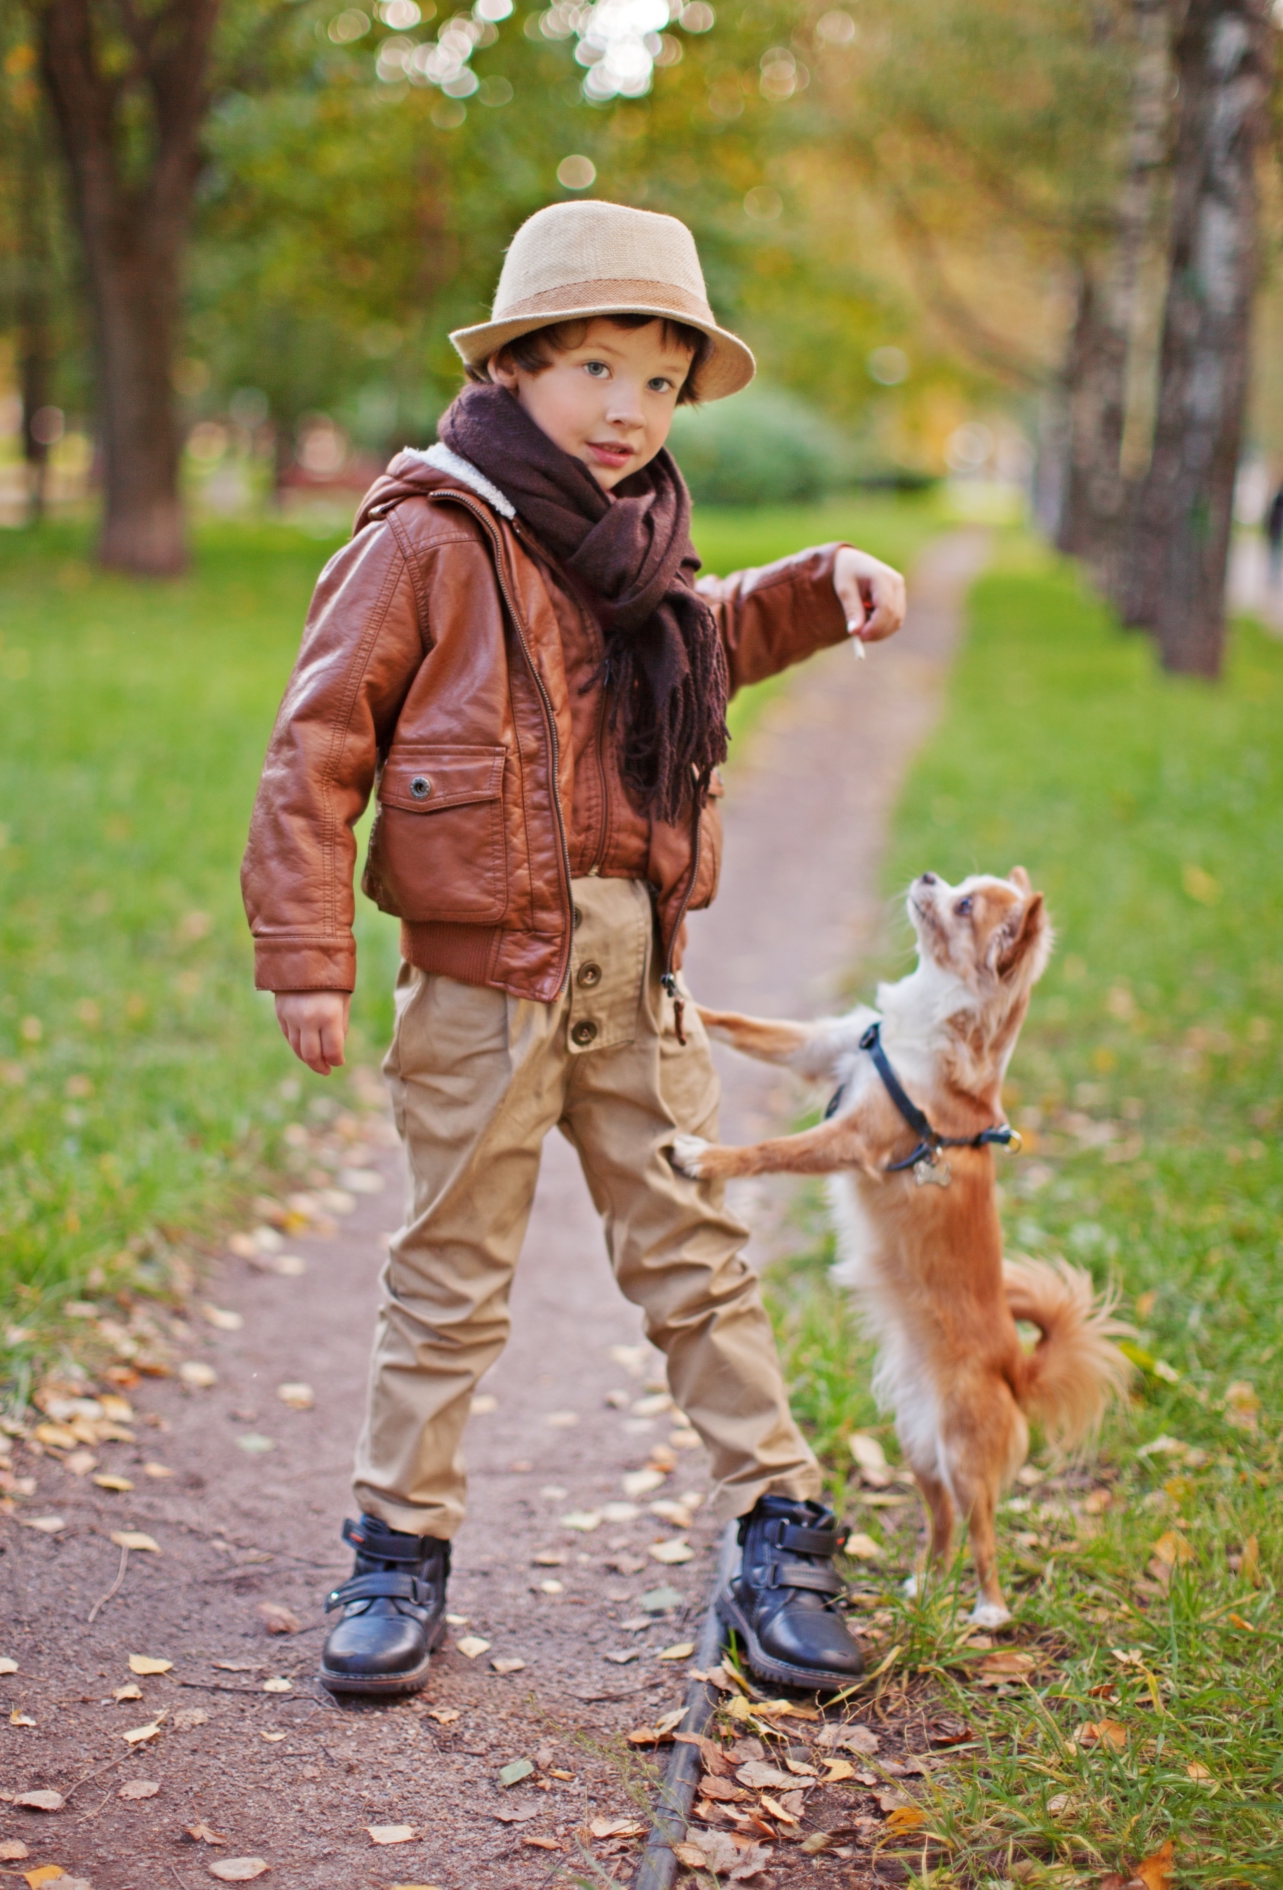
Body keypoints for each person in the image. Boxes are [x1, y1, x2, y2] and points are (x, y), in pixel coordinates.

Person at [241, 200, 907, 1698]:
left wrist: (816, 585)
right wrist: (304, 948)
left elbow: (700, 643)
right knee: (449, 1273)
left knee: (695, 1252)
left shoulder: (637, 543)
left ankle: (774, 1526)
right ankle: (396, 1547)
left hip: (638, 966)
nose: (628, 410)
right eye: (596, 369)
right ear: (520, 367)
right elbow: (317, 745)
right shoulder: (428, 534)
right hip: (484, 980)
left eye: (660, 382)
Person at [1266, 478, 1283, 588]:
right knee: (1274, 553)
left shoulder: (1278, 499)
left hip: (1276, 530)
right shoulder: (1278, 499)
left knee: (1275, 552)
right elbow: (1272, 516)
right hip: (1276, 530)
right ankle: (1273, 576)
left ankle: (1274, 575)